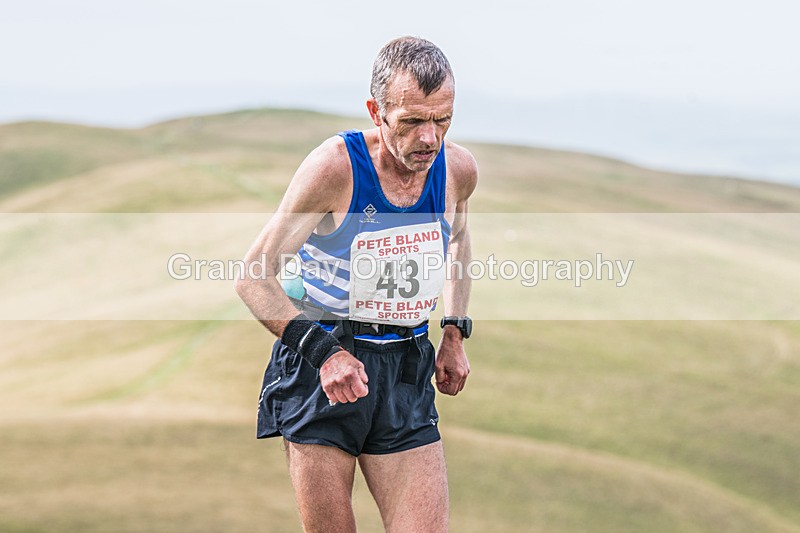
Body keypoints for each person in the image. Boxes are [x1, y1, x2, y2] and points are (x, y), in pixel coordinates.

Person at [235, 36, 477, 533]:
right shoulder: (335, 168)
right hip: (322, 366)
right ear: (376, 111)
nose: (429, 138)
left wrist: (453, 332)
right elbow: (254, 276)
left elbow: (458, 241)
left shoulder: (456, 170)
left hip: (406, 368)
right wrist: (325, 354)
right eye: (411, 121)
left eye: (442, 120)